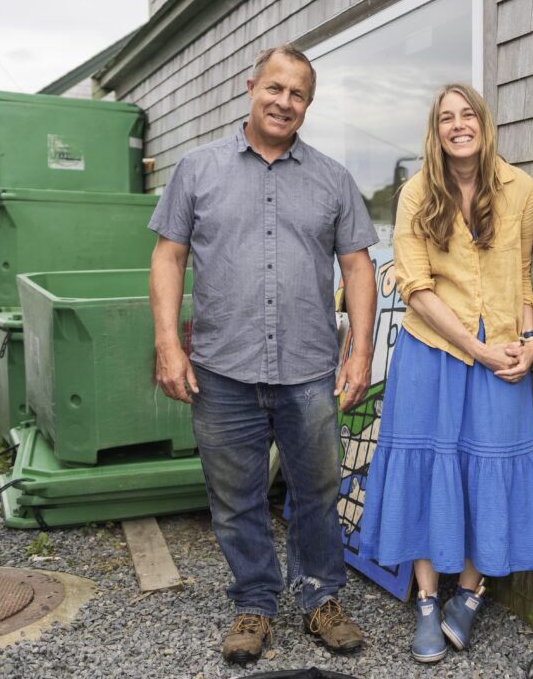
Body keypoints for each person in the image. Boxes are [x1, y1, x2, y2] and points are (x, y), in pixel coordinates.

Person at [148, 44, 378, 666]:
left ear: (308, 104)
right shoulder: (197, 169)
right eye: (274, 89)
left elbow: (358, 268)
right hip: (222, 368)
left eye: (298, 94)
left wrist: (359, 353)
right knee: (235, 496)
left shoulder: (332, 178)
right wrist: (169, 344)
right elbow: (168, 256)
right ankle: (254, 601)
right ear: (251, 88)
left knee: (317, 492)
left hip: (308, 369)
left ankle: (319, 597)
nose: (284, 102)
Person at [359, 83, 533, 662]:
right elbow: (415, 288)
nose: (459, 125)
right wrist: (477, 347)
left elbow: (520, 275)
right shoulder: (417, 193)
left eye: (468, 114)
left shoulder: (521, 188)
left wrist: (529, 339)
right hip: (431, 350)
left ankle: (468, 593)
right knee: (427, 466)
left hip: (503, 350)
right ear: (436, 130)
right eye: (447, 117)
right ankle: (425, 599)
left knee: (482, 463)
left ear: (483, 123)